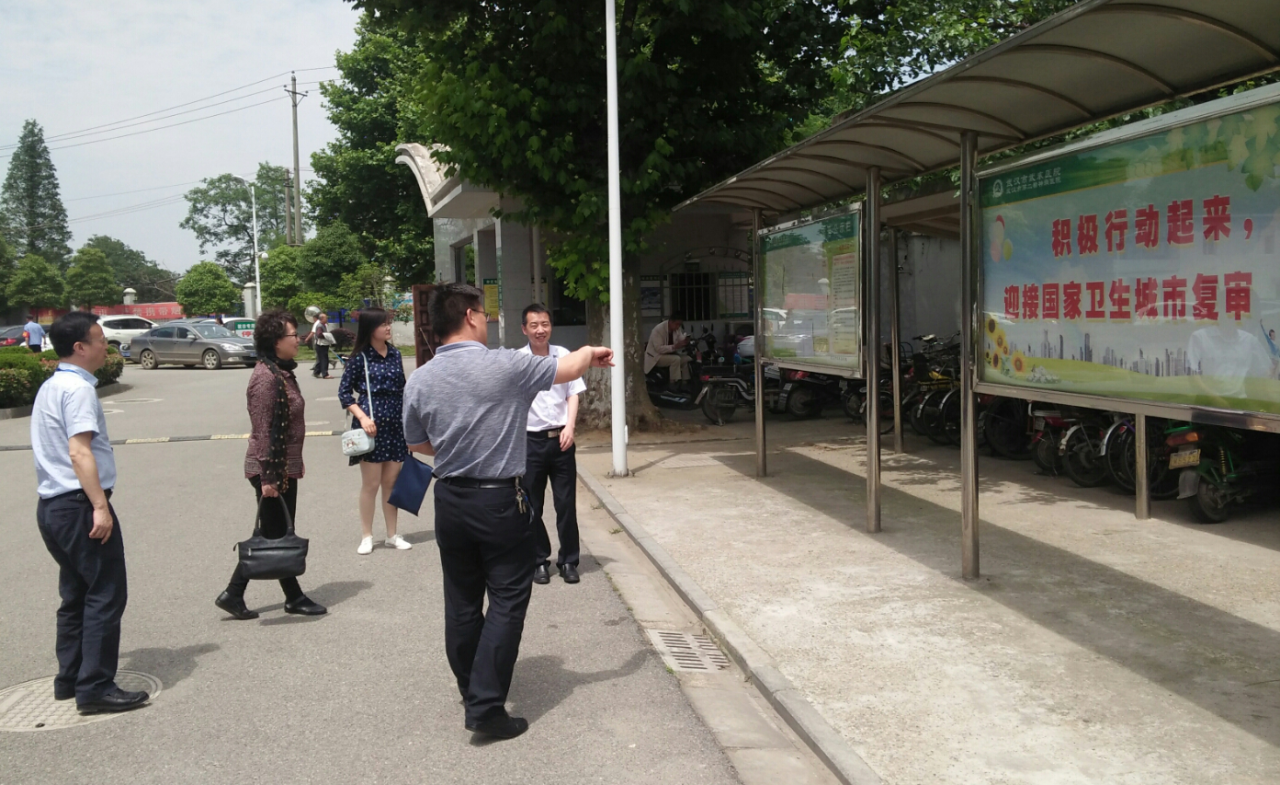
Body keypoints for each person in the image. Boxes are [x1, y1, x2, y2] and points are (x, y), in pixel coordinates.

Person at [402, 283, 613, 740]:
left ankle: (470, 688)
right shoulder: (506, 364)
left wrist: (459, 446)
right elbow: (570, 366)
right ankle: (486, 707)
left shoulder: (419, 378)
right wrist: (593, 351)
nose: (487, 320)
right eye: (484, 313)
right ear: (470, 316)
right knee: (507, 599)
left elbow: (417, 442)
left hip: (450, 500)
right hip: (499, 500)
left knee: (461, 601)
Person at [32, 312, 149, 714]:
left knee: (76, 593)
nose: (106, 346)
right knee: (105, 593)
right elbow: (79, 452)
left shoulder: (52, 385)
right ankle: (96, 687)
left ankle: (70, 678)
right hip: (79, 505)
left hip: (52, 506)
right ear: (80, 347)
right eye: (100, 340)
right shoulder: (78, 389)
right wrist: (100, 506)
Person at [215, 310, 327, 620]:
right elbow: (263, 430)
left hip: (281, 466)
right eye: (292, 335)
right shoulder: (265, 378)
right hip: (271, 469)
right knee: (276, 533)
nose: (298, 339)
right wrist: (268, 478)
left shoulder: (280, 372)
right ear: (276, 341)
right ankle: (291, 597)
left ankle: (234, 594)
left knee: (274, 531)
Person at [519, 304, 585, 586]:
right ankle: (538, 560)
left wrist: (570, 426)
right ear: (524, 329)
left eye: (544, 324)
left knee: (566, 504)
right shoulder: (519, 360)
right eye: (534, 325)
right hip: (530, 442)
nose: (540, 330)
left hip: (561, 440)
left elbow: (573, 393)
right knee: (532, 505)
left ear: (550, 326)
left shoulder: (564, 355)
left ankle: (569, 560)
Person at [339, 307, 411, 554]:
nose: (388, 327)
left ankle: (392, 534)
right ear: (371, 329)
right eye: (383, 324)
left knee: (391, 482)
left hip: (395, 424)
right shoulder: (360, 358)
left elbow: (402, 389)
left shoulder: (395, 354)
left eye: (388, 323)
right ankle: (367, 535)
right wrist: (362, 417)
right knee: (371, 484)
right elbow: (345, 393)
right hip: (371, 426)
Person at [644, 312, 691, 388]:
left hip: (669, 354)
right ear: (671, 322)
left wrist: (685, 341)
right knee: (675, 359)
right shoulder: (658, 330)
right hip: (656, 356)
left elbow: (680, 338)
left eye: (679, 325)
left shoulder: (676, 329)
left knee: (686, 359)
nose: (678, 327)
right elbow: (658, 348)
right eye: (677, 324)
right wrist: (674, 347)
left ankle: (685, 383)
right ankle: (673, 383)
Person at [308, 311, 336, 379]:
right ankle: (325, 374)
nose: (327, 319)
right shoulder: (320, 326)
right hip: (321, 345)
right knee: (324, 360)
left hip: (322, 345)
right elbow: (319, 334)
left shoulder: (323, 325)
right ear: (322, 319)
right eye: (326, 318)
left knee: (320, 359)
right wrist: (327, 336)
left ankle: (316, 372)